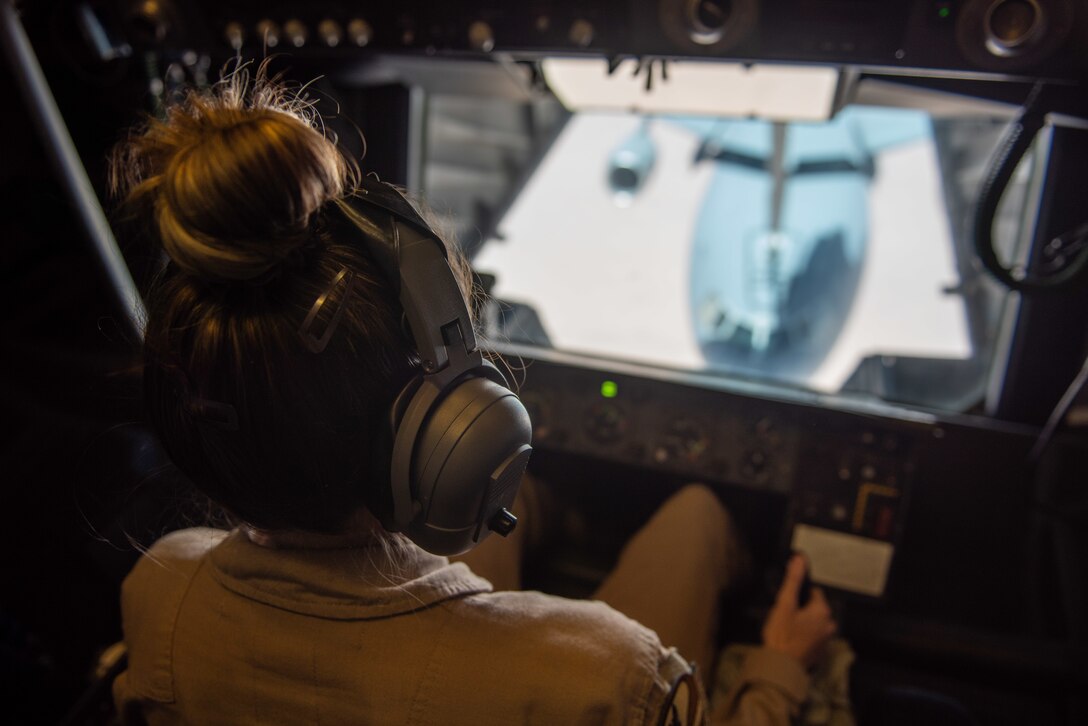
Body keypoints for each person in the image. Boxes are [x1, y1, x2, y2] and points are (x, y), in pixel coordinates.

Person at [109, 64, 837, 725]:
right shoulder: (614, 677)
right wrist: (778, 671)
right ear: (436, 434)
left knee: (543, 503)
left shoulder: (162, 592)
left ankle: (555, 512)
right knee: (696, 518)